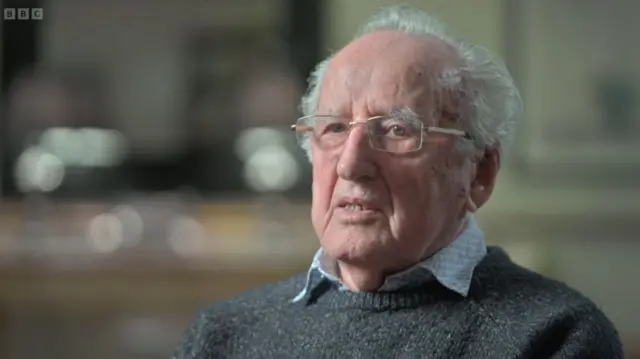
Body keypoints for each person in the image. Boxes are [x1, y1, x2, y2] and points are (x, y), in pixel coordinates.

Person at [173, 5, 623, 359]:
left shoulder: (554, 337)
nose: (350, 165)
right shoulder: (222, 336)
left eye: (396, 130)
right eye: (332, 129)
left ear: (480, 173)